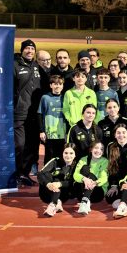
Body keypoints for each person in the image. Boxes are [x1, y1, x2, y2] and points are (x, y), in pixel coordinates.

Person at [13, 39, 46, 185]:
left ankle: (24, 174)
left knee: (32, 147)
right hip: (19, 113)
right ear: (22, 50)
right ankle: (16, 173)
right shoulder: (14, 65)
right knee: (19, 145)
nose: (30, 51)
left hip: (34, 114)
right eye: (27, 49)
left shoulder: (37, 67)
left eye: (32, 49)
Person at [37, 143, 77, 217]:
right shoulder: (55, 161)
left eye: (71, 153)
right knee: (46, 174)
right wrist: (48, 184)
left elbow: (73, 182)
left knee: (60, 179)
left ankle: (52, 205)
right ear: (62, 153)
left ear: (75, 155)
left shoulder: (77, 165)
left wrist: (60, 184)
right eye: (66, 153)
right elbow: (40, 174)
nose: (68, 155)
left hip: (66, 194)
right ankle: (57, 201)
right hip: (48, 193)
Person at [72, 141, 109, 215]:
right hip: (81, 191)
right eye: (96, 148)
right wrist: (84, 179)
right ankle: (86, 201)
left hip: (98, 193)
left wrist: (95, 183)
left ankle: (84, 202)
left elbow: (104, 178)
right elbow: (75, 174)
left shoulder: (105, 161)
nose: (98, 151)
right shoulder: (83, 159)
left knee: (91, 176)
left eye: (101, 149)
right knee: (85, 168)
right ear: (91, 149)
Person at [38, 74, 66, 165]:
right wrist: (42, 131)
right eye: (55, 84)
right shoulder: (45, 98)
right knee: (49, 155)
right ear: (51, 85)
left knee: (61, 156)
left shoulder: (65, 97)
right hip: (49, 133)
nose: (58, 86)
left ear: (63, 86)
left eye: (60, 84)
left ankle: (60, 177)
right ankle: (47, 177)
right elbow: (40, 114)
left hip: (62, 133)